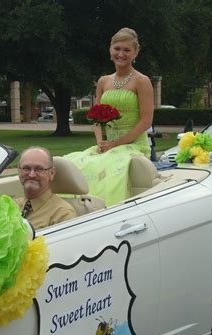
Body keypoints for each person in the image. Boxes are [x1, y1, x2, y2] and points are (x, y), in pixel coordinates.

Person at [63, 27, 153, 205]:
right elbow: (96, 119)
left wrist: (116, 144)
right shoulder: (104, 81)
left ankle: (109, 207)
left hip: (133, 144)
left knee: (110, 164)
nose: (121, 54)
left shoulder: (141, 81)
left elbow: (146, 121)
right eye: (117, 49)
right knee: (72, 162)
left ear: (136, 52)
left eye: (127, 50)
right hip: (106, 145)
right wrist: (101, 142)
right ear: (110, 50)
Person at [16, 147, 76, 230]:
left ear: (51, 173)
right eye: (26, 168)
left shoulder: (62, 214)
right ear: (19, 171)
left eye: (39, 169)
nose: (31, 175)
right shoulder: (12, 206)